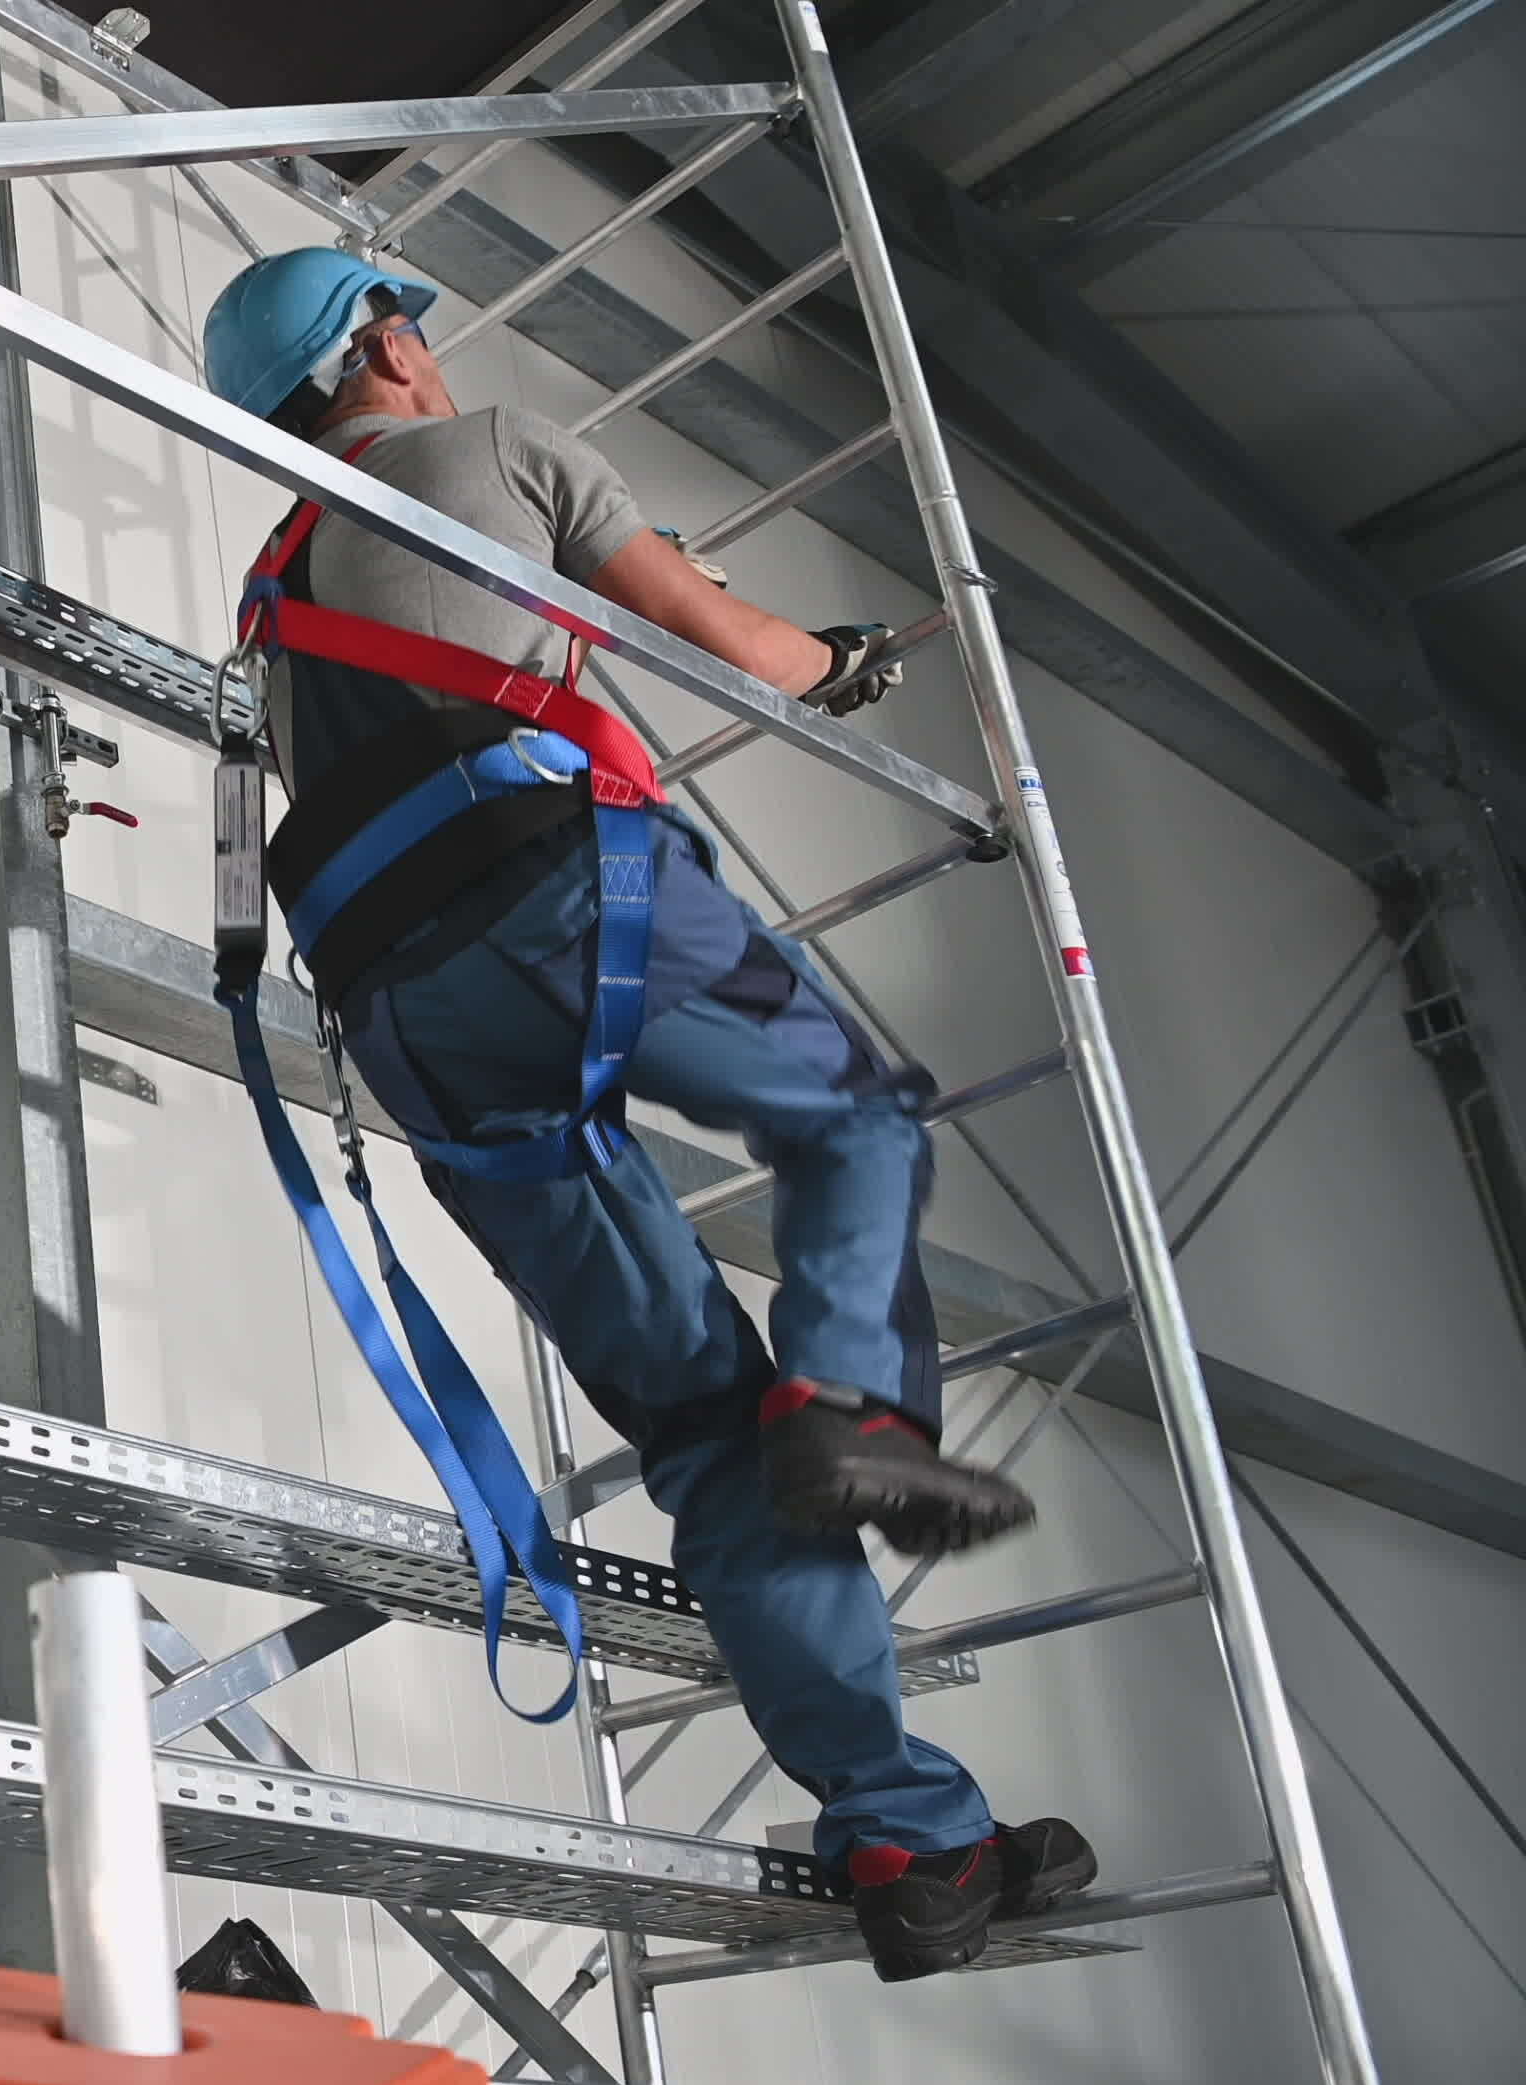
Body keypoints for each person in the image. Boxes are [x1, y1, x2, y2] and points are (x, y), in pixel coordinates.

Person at [202, 247, 1095, 1981]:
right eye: (414, 322)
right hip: (561, 905)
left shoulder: (267, 594)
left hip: (405, 1024)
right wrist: (839, 662)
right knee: (854, 1126)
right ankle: (857, 1404)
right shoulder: (506, 451)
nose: (430, 349)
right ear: (382, 341)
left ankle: (913, 1845)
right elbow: (732, 641)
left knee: (708, 1438)